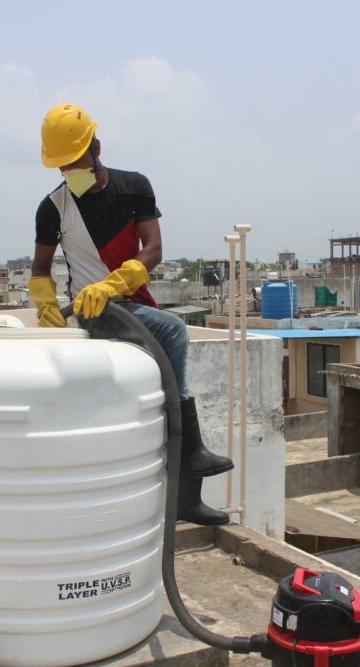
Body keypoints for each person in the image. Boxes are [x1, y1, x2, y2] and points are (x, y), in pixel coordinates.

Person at [28, 103, 233, 526]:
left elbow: (153, 249)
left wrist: (113, 283)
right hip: (94, 310)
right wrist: (47, 305)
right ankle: (192, 453)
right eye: (62, 166)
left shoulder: (135, 187)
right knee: (173, 331)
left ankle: (186, 485)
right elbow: (40, 269)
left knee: (166, 377)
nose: (70, 171)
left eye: (76, 160)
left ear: (96, 148)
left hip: (126, 301)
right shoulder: (54, 207)